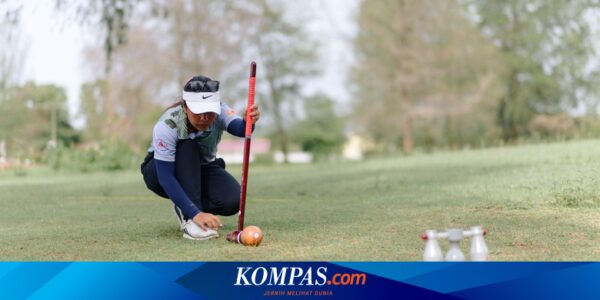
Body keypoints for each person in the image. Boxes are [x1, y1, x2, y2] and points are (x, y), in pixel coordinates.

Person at [141, 75, 260, 240]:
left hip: (201, 167)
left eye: (209, 112)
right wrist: (195, 213)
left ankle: (184, 206)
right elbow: (165, 177)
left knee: (232, 202)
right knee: (188, 145)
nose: (204, 118)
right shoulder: (167, 125)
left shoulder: (221, 111)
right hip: (160, 171)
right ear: (185, 107)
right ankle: (192, 220)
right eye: (198, 112)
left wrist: (248, 121)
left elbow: (241, 129)